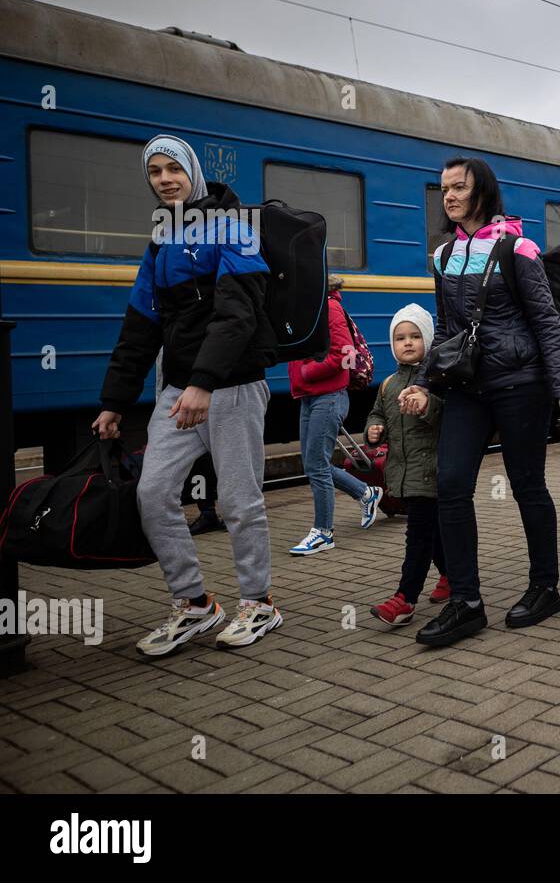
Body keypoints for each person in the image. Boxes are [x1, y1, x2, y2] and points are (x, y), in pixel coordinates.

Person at [93, 134, 280, 655]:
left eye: (172, 168)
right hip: (179, 391)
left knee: (240, 501)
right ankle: (195, 604)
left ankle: (259, 603)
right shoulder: (160, 242)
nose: (164, 179)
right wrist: (114, 401)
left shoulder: (236, 231)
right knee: (152, 493)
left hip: (233, 387)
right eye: (154, 173)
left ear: (192, 171)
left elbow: (237, 315)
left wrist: (203, 382)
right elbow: (139, 327)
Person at [397, 157, 560, 648]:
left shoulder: (517, 247)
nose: (450, 196)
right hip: (467, 388)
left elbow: (545, 320)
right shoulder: (443, 256)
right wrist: (427, 384)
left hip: (521, 383)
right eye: (444, 189)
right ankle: (468, 602)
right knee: (451, 483)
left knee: (526, 484)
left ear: (484, 191)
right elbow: (449, 332)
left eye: (460, 187)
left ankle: (545, 588)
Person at [287, 276, 384, 555]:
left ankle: (323, 533)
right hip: (309, 397)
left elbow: (346, 355)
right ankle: (366, 493)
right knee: (313, 464)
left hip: (329, 396)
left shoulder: (328, 308)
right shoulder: (307, 311)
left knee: (317, 465)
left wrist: (306, 372)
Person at [368, 304, 450, 626]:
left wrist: (428, 404)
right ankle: (450, 575)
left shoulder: (436, 379)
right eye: (400, 337)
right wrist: (373, 431)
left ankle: (405, 599)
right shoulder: (388, 385)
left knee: (417, 535)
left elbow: (449, 416)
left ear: (427, 341)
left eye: (415, 336)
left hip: (429, 470)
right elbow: (378, 415)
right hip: (401, 473)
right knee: (432, 530)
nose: (407, 342)